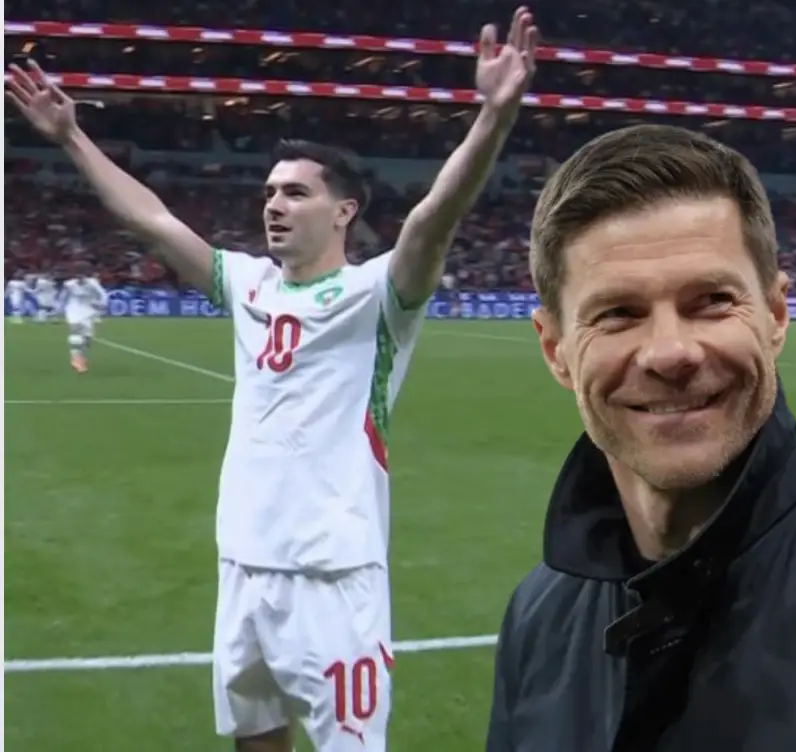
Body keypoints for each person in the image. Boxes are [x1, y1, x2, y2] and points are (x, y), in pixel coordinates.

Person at [7, 7, 539, 751]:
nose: (274, 205)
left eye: (295, 192)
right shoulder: (248, 283)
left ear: (344, 211)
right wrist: (71, 137)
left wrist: (493, 116)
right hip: (243, 561)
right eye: (268, 193)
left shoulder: (378, 296)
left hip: (332, 573)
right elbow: (153, 221)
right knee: (254, 737)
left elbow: (432, 219)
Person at [486, 124, 796, 752]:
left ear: (776, 315)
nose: (670, 352)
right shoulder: (539, 616)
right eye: (618, 313)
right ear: (555, 350)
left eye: (711, 300)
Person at [62, 265, 108, 373]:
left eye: (82, 275)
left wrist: (102, 304)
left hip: (88, 310)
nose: (79, 278)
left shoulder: (93, 283)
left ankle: (81, 357)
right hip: (73, 309)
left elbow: (103, 294)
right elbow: (63, 296)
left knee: (87, 339)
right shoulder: (69, 284)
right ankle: (76, 359)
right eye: (78, 275)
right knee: (75, 331)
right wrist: (58, 307)